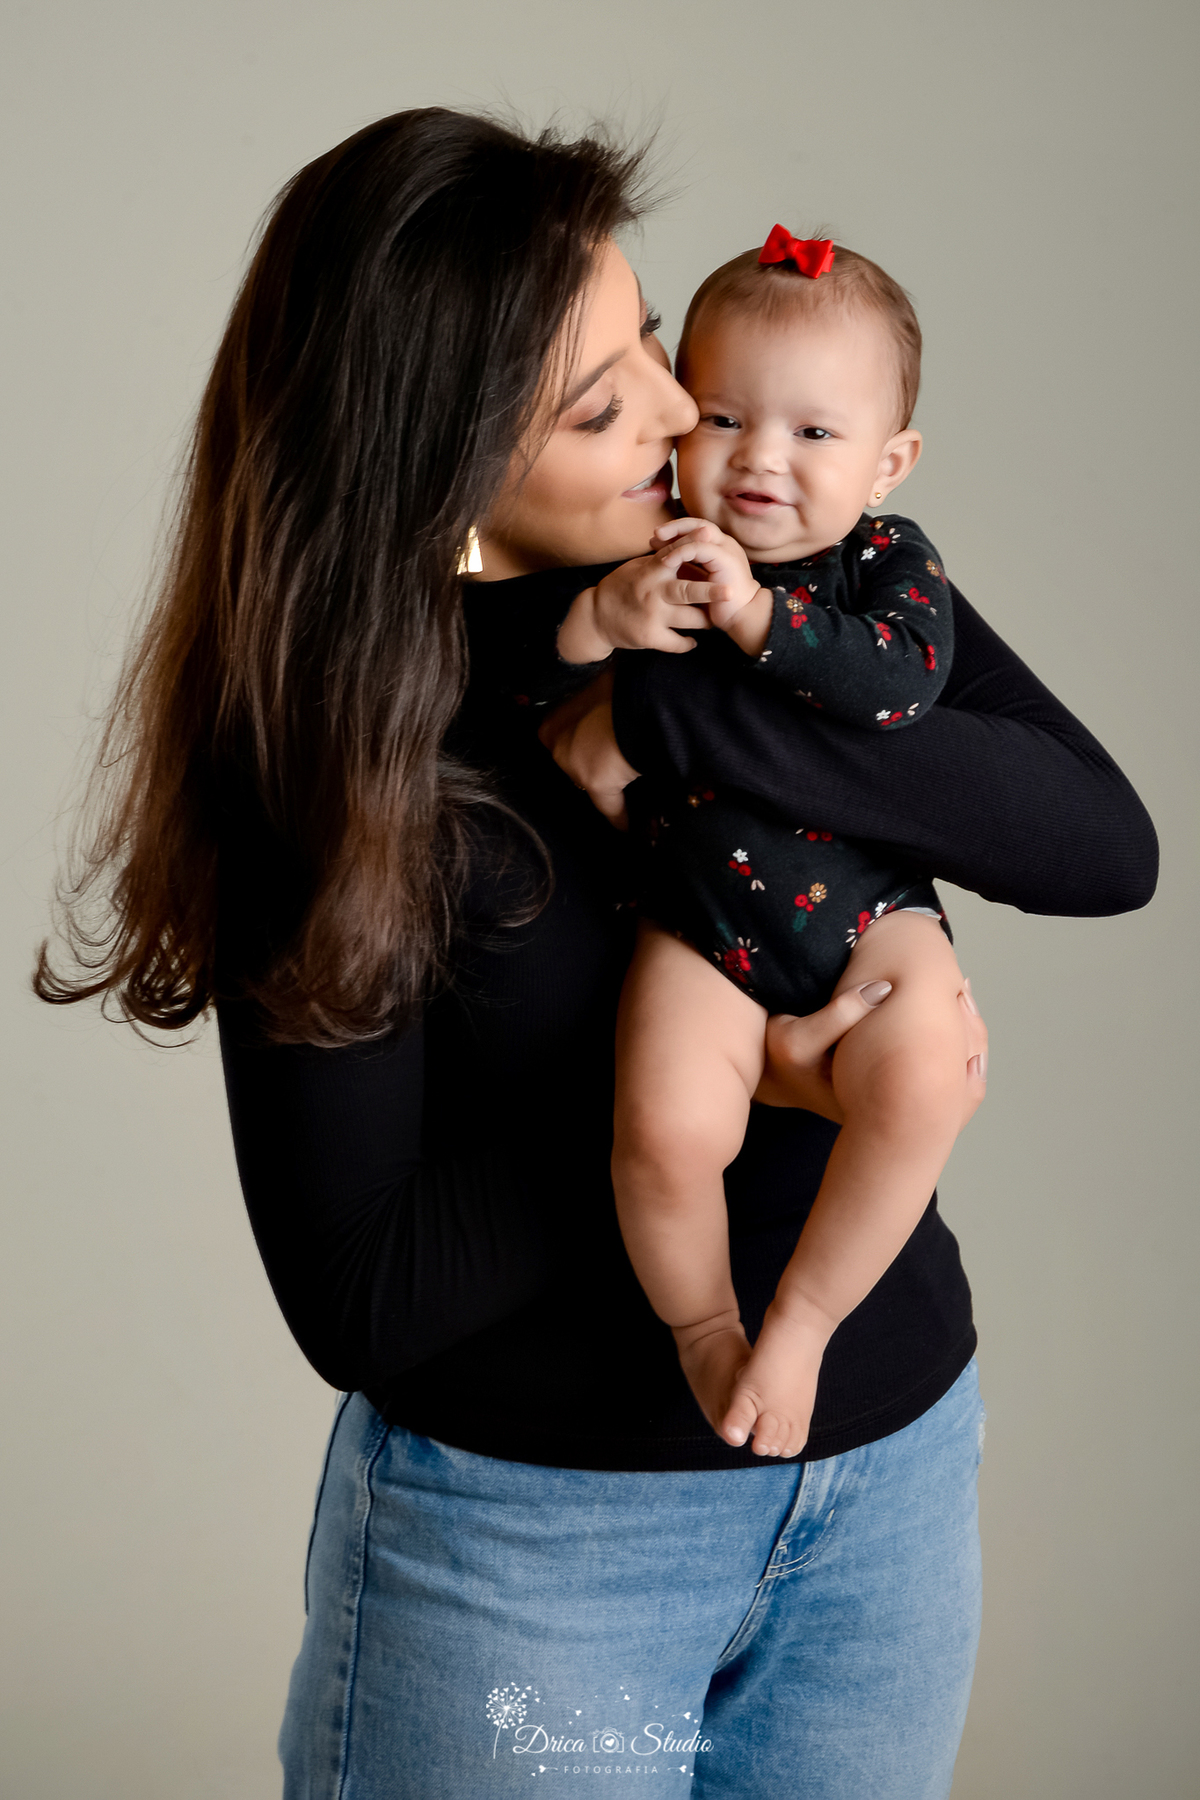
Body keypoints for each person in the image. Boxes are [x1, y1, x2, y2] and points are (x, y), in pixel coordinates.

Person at [34, 109, 1157, 1798]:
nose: (680, 408)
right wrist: (734, 1092)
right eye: (596, 401)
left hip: (886, 1487)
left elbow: (1097, 843)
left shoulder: (776, 569)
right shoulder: (340, 765)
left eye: (643, 332)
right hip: (538, 1548)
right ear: (435, 470)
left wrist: (695, 701)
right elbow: (361, 1294)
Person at [544, 229, 974, 1463]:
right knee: (667, 1130)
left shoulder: (884, 562)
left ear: (890, 464)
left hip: (869, 909)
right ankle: (703, 1328)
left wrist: (751, 616)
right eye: (723, 417)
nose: (758, 464)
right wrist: (594, 624)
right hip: (701, 918)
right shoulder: (643, 543)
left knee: (927, 1079)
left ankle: (805, 1319)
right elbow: (529, 704)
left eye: (814, 436)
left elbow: (898, 689)